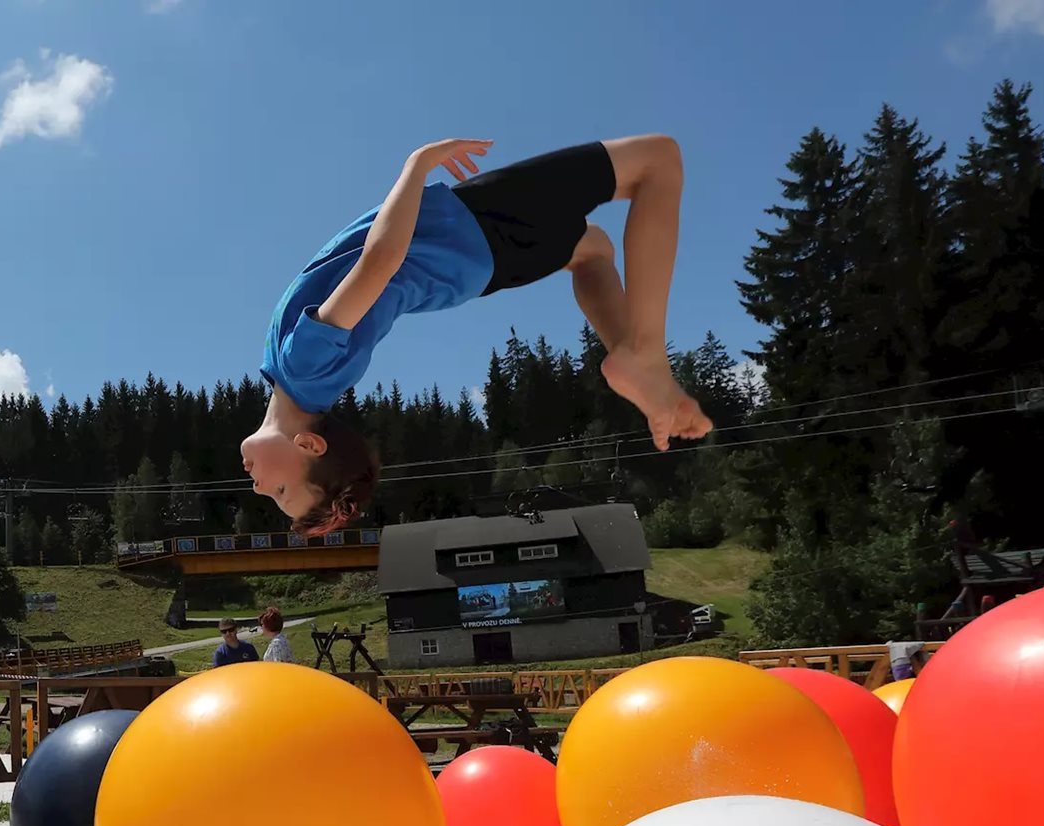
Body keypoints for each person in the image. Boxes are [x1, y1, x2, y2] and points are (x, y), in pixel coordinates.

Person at [241, 134, 713, 537]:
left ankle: (628, 352)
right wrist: (417, 164)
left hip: (471, 263)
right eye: (281, 491)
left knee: (592, 249)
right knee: (658, 161)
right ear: (308, 446)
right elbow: (378, 264)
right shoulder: (305, 370)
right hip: (470, 232)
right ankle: (645, 354)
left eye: (275, 494)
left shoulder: (288, 372)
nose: (260, 489)